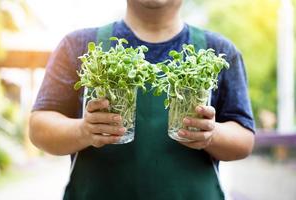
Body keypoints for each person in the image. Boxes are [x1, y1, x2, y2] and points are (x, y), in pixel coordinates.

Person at [29, 0, 255, 199]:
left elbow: (244, 139)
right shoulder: (78, 46)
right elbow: (39, 127)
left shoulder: (218, 52)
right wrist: (83, 130)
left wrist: (212, 134)